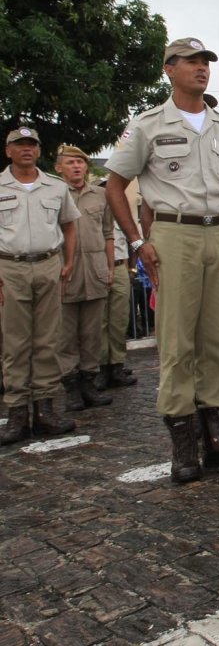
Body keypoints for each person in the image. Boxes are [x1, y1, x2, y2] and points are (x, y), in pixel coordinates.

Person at [105, 37, 219, 484]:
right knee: (177, 341)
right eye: (191, 61)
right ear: (169, 69)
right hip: (172, 234)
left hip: (218, 234)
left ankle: (218, 434)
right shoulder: (148, 125)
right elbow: (115, 185)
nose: (201, 68)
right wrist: (138, 242)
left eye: (205, 62)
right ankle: (183, 441)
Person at [0, 127, 79, 444]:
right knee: (15, 343)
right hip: (10, 267)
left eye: (31, 144)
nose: (26, 150)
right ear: (8, 151)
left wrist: (69, 262)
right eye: (19, 145)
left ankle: (45, 408)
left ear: (39, 150)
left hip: (48, 264)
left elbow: (69, 226)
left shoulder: (56, 187)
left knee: (48, 339)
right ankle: (17, 411)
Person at [54, 144, 116, 410]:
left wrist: (110, 267)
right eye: (70, 163)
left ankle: (89, 382)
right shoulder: (54, 194)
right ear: (59, 168)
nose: (77, 167)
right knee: (66, 334)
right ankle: (70, 387)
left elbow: (108, 233)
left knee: (92, 333)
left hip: (95, 268)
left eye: (80, 162)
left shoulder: (100, 195)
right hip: (65, 270)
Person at [96, 215, 137, 390]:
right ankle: (102, 367)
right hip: (99, 266)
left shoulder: (121, 217)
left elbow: (134, 242)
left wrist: (132, 269)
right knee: (100, 322)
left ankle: (118, 365)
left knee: (119, 320)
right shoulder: (93, 215)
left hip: (120, 266)